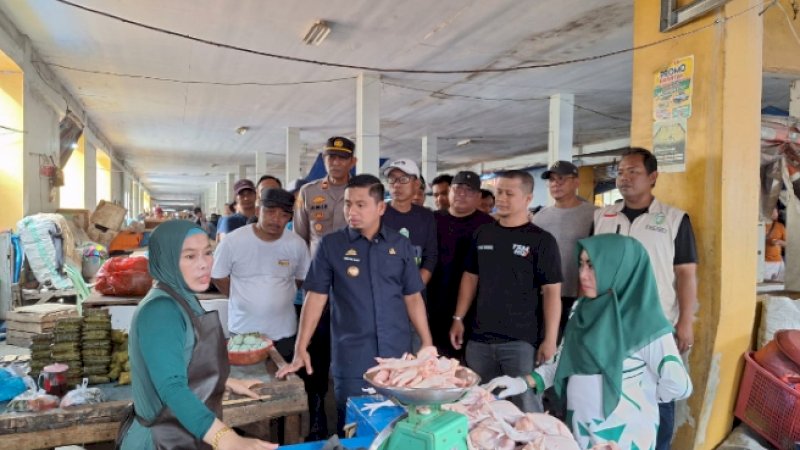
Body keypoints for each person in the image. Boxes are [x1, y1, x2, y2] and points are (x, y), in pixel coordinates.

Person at [485, 234, 692, 449]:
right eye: (581, 264)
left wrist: (644, 396)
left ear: (619, 268)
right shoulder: (581, 310)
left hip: (625, 437)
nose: (583, 275)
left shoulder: (647, 324)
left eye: (593, 266)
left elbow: (679, 385)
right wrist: (522, 383)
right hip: (580, 428)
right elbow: (562, 361)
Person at [277, 174, 433, 434]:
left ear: (380, 207)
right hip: (352, 357)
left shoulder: (400, 245)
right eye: (348, 204)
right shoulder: (331, 245)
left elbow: (413, 297)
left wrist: (426, 342)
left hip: (397, 357)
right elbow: (315, 297)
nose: (352, 211)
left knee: (397, 427)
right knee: (352, 427)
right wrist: (301, 345)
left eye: (361, 205)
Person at [118, 220, 277, 450]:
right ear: (166, 259)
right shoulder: (160, 311)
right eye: (190, 256)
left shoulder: (184, 296)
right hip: (160, 440)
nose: (204, 264)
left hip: (185, 432)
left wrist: (224, 381)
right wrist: (227, 439)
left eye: (208, 253)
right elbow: (173, 389)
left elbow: (187, 360)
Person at [593, 148, 697, 449]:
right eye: (620, 172)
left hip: (656, 327)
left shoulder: (674, 219)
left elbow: (686, 273)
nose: (624, 178)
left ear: (653, 177)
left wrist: (685, 322)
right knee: (609, 393)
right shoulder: (602, 217)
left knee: (660, 396)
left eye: (633, 172)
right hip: (607, 325)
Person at [449, 170, 562, 413]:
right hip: (479, 340)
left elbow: (552, 292)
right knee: (478, 407)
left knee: (526, 410)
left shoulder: (542, 241)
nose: (501, 198)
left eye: (509, 194)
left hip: (520, 342)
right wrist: (458, 318)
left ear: (528, 199)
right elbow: (470, 277)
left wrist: (550, 339)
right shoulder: (483, 233)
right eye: (499, 192)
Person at [292, 136, 357, 440]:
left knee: (349, 347)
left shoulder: (361, 191)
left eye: (342, 157)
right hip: (319, 285)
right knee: (316, 349)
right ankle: (317, 410)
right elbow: (301, 240)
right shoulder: (309, 192)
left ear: (352, 161)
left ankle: (351, 414)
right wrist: (305, 282)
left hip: (353, 286)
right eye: (331, 156)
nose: (335, 162)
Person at [211, 188, 311, 362]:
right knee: (248, 377)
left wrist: (281, 295)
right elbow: (217, 275)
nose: (276, 219)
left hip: (285, 332)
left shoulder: (297, 245)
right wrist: (239, 297)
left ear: (290, 218)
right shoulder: (233, 241)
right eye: (270, 212)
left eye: (284, 215)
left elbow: (301, 278)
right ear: (258, 211)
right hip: (244, 330)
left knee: (285, 375)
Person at [427, 171, 494, 360]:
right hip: (433, 306)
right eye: (457, 189)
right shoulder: (432, 220)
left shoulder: (488, 226)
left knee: (463, 365)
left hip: (472, 311)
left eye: (469, 191)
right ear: (449, 192)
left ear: (479, 197)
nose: (462, 194)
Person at [533, 161, 596, 339]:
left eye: (561, 179)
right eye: (552, 180)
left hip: (579, 295)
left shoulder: (594, 215)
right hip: (545, 295)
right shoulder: (540, 218)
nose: (555, 184)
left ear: (576, 182)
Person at [764, 207, 786, 282]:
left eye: (776, 212)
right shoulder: (760, 225)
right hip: (763, 262)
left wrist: (779, 242)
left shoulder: (780, 226)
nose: (775, 214)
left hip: (777, 262)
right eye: (773, 212)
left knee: (779, 284)